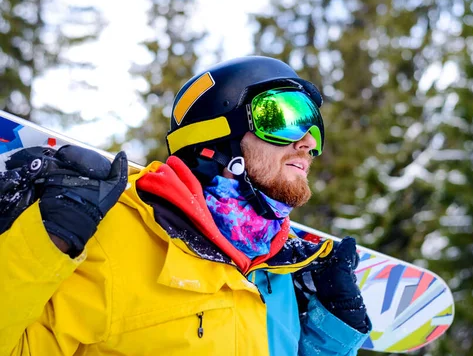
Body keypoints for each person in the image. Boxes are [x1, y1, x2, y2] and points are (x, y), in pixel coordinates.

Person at [0, 56, 371, 355]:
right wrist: (41, 245)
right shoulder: (110, 238)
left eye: (313, 126)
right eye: (284, 117)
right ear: (217, 134)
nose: (308, 142)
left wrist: (331, 342)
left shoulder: (274, 272)